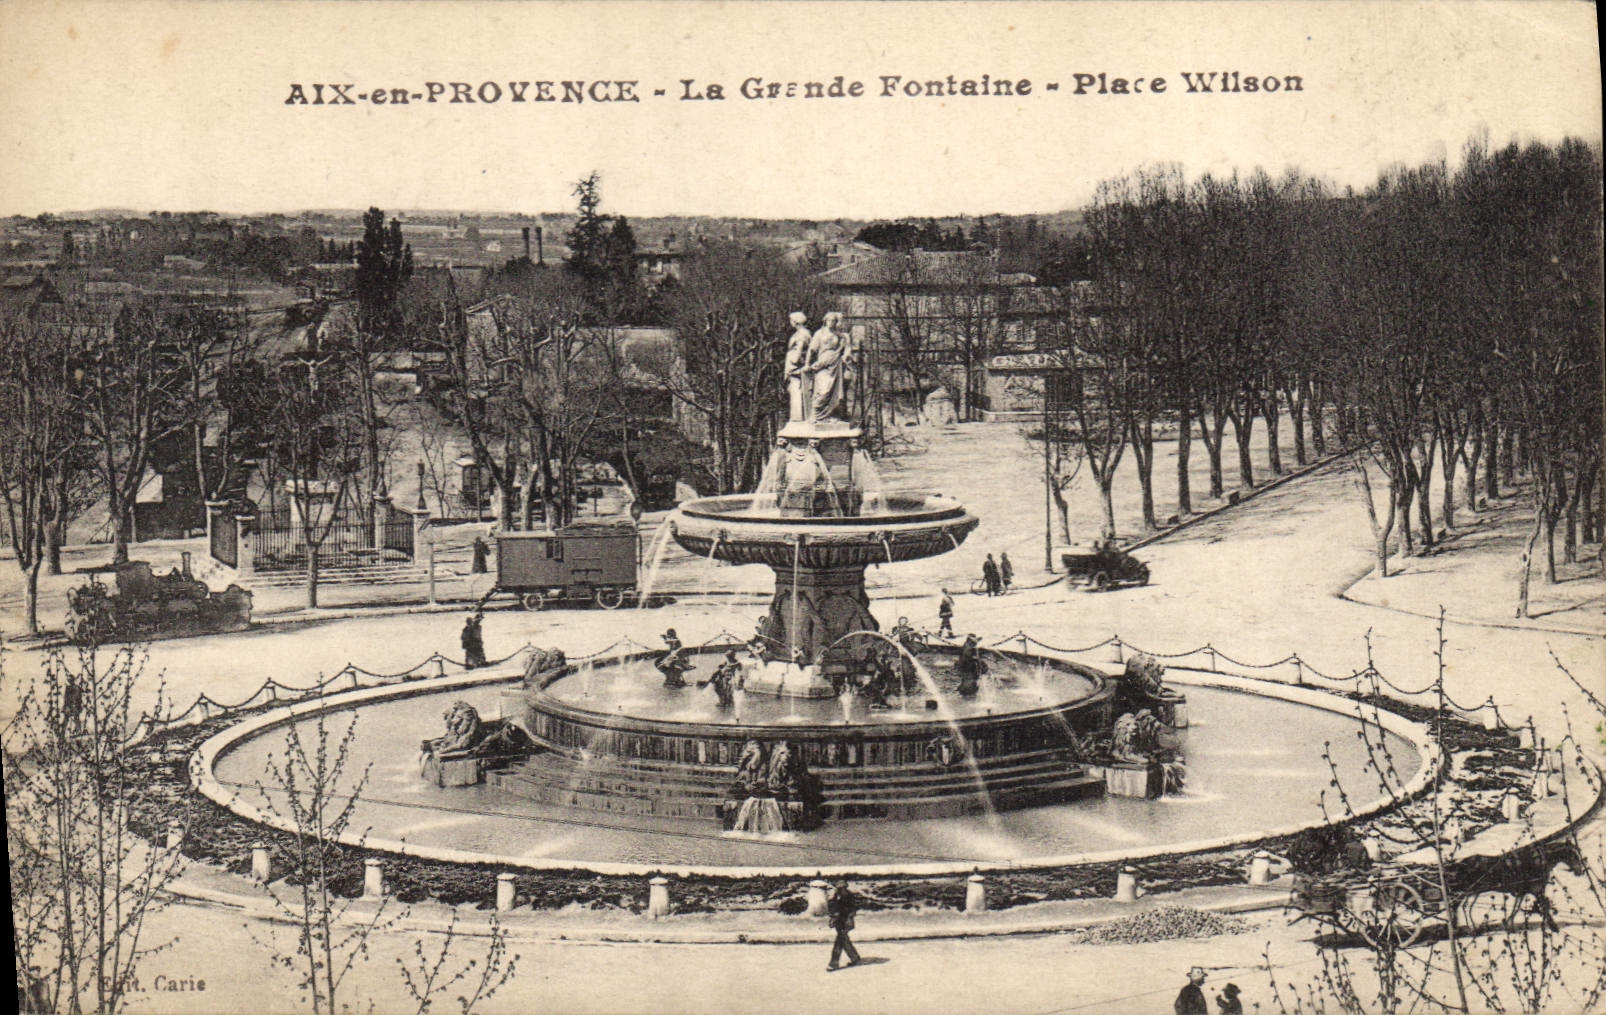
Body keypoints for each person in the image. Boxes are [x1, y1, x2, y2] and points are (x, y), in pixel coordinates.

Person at [826, 880, 862, 971]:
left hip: (846, 923)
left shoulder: (849, 897)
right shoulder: (836, 896)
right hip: (839, 922)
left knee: (839, 942)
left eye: (843, 888)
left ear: (845, 887)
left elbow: (852, 910)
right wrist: (833, 918)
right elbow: (833, 908)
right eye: (839, 888)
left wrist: (849, 918)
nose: (841, 889)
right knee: (844, 940)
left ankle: (834, 963)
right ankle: (855, 957)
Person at [783, 310, 812, 423]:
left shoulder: (802, 334)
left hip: (796, 368)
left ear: (795, 321)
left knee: (796, 390)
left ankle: (797, 417)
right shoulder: (801, 333)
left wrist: (794, 360)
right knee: (794, 390)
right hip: (794, 367)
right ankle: (796, 416)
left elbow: (800, 348)